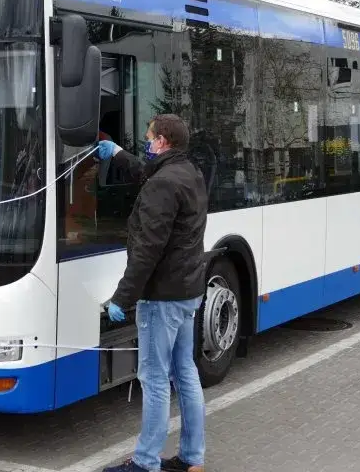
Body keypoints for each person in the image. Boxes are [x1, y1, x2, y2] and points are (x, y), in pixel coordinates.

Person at [97, 114, 209, 472]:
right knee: (185, 372)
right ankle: (192, 458)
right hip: (187, 291)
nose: (146, 144)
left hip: (162, 298)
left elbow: (147, 250)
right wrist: (117, 154)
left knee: (155, 380)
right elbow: (150, 172)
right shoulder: (189, 172)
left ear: (161, 140)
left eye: (148, 138)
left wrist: (122, 298)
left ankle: (145, 463)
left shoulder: (163, 185)